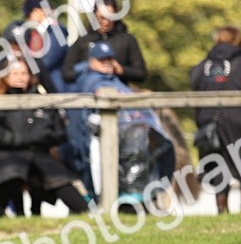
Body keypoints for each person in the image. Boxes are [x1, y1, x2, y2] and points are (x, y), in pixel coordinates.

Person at [0, 55, 88, 216]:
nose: (20, 78)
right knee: (13, 171)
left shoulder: (41, 99)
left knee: (58, 178)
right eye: (15, 74)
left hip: (39, 153)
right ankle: (2, 211)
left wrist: (34, 138)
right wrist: (14, 139)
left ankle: (84, 213)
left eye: (24, 73)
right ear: (4, 76)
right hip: (4, 154)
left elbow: (58, 130)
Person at [71, 42, 175, 205]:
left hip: (130, 133)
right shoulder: (90, 80)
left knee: (163, 144)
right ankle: (132, 199)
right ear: (92, 61)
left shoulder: (116, 80)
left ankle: (146, 196)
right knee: (139, 140)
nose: (107, 62)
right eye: (102, 59)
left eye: (109, 59)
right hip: (105, 136)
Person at [190, 26, 241, 213]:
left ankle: (222, 208)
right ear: (238, 40)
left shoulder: (203, 66)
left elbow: (193, 80)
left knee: (218, 163)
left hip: (208, 120)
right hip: (239, 119)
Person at [61, 0, 148, 87]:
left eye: (110, 17)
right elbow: (66, 74)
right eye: (101, 18)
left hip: (119, 94)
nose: (105, 22)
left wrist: (119, 69)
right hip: (89, 95)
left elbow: (142, 74)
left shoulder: (127, 40)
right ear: (94, 16)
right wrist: (89, 66)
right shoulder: (83, 41)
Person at [3, 0, 70, 93]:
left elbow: (49, 60)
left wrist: (28, 69)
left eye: (29, 16)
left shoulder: (55, 30)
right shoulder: (45, 31)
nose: (29, 20)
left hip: (56, 82)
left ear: (37, 11)